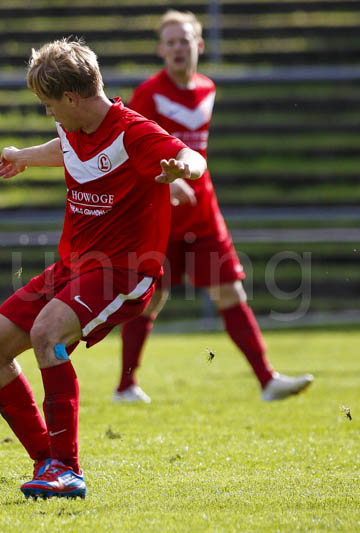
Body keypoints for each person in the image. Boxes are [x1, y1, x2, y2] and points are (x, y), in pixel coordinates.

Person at [0, 38, 207, 500]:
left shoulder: (133, 132)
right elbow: (68, 149)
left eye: (49, 105)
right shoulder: (77, 127)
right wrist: (22, 156)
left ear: (72, 99)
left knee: (47, 334)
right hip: (74, 266)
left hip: (124, 271)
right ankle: (46, 462)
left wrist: (184, 169)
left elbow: (189, 156)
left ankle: (67, 468)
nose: (49, 114)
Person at [113, 10, 313, 404]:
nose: (177, 48)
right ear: (160, 50)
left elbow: (195, 152)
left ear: (199, 46)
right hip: (161, 215)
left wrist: (188, 184)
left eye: (184, 40)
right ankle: (126, 386)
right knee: (151, 297)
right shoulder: (148, 95)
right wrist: (167, 187)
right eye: (169, 42)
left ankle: (267, 380)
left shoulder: (208, 88)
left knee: (230, 291)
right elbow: (130, 152)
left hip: (204, 213)